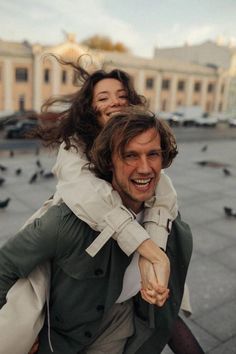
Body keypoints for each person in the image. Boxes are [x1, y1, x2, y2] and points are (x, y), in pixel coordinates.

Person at [0, 109, 193, 354]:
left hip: (116, 330)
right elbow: (5, 265)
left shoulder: (171, 225)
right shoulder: (65, 221)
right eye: (130, 155)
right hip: (61, 340)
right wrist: (15, 334)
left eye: (153, 154)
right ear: (109, 161)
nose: (144, 168)